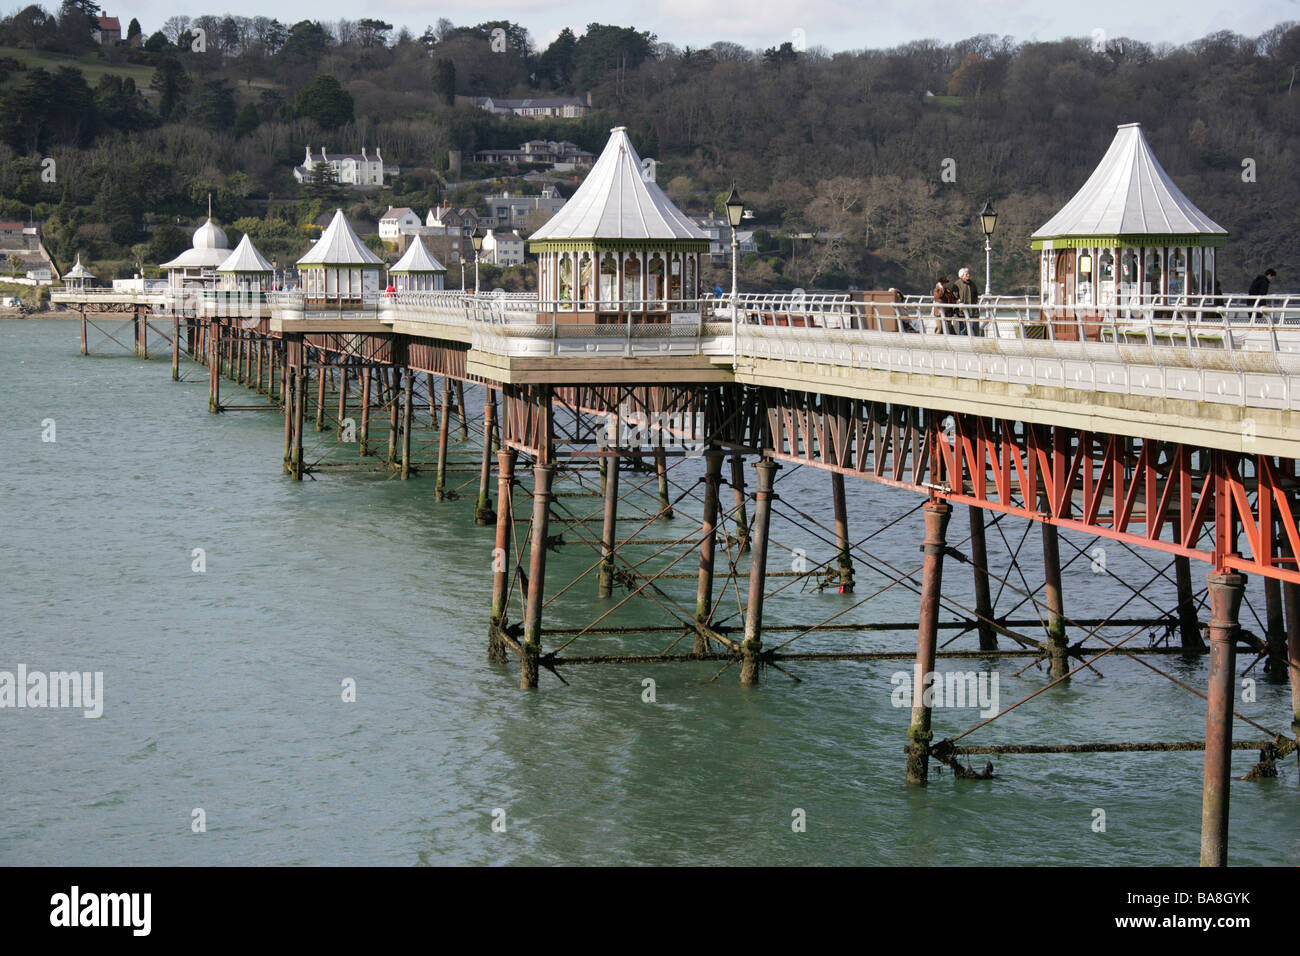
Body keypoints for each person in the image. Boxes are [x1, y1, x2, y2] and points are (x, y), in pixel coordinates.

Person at [956, 267, 981, 336]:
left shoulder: (972, 284)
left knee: (971, 327)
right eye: (966, 274)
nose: (968, 275)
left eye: (968, 274)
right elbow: (954, 294)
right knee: (963, 328)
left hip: (971, 310)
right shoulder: (957, 284)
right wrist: (958, 300)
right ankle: (963, 342)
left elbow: (976, 294)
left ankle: (971, 342)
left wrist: (975, 302)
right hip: (962, 311)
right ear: (962, 276)